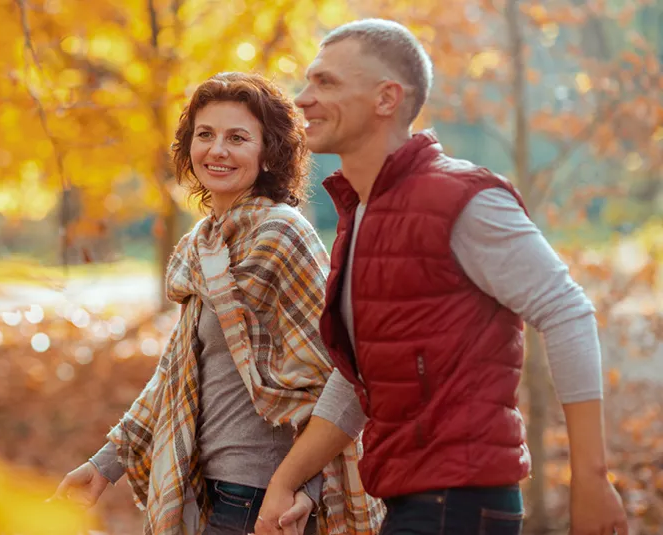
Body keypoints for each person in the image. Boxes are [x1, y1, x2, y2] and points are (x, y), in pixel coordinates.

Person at [254, 19, 630, 535]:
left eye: (326, 82)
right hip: (413, 500)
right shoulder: (362, 213)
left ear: (387, 97)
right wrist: (287, 481)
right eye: (308, 81)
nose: (303, 98)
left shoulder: (461, 199)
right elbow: (361, 373)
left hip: (459, 501)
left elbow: (566, 310)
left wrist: (590, 477)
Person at [52, 72, 385, 535]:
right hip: (210, 490)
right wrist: (105, 465)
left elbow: (343, 371)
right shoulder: (204, 243)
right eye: (205, 135)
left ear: (269, 152)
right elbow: (179, 373)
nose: (217, 150)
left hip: (260, 500)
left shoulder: (281, 234)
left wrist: (298, 489)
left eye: (237, 138)